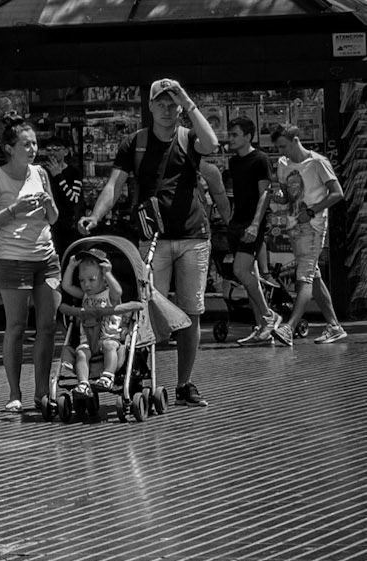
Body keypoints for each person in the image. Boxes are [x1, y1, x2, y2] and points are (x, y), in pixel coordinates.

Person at [80, 77, 221, 408]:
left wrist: (188, 100)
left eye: (172, 103)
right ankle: (139, 374)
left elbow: (211, 144)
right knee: (145, 311)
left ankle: (185, 383)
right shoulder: (136, 143)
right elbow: (115, 185)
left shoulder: (188, 137)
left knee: (190, 313)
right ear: (151, 106)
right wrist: (96, 216)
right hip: (152, 239)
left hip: (192, 237)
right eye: (161, 103)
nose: (167, 109)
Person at [0, 119, 60, 414]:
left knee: (48, 327)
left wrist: (49, 205)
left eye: (35, 143)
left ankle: (41, 392)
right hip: (13, 261)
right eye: (26, 144)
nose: (33, 149)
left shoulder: (41, 173)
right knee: (16, 326)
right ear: (9, 149)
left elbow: (53, 218)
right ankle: (14, 392)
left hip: (46, 260)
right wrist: (14, 210)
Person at [272, 125, 348, 345]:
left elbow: (337, 193)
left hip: (313, 226)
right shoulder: (283, 164)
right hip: (294, 226)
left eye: (284, 146)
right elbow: (286, 195)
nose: (281, 151)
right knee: (312, 275)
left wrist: (313, 211)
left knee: (303, 276)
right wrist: (278, 195)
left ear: (296, 140)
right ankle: (334, 325)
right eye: (278, 147)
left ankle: (290, 327)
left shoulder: (317, 162)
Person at [223, 117, 279, 345]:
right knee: (251, 277)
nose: (230, 138)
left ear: (248, 136)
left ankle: (269, 316)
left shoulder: (261, 159)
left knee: (240, 271)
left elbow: (265, 194)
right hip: (237, 223)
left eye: (235, 134)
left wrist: (256, 224)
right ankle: (262, 331)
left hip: (253, 224)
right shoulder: (234, 162)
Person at [60, 247, 124, 389]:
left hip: (108, 337)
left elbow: (118, 291)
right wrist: (71, 267)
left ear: (104, 280)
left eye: (91, 280)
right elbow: (66, 286)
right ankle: (83, 383)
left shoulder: (109, 295)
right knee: (81, 353)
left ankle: (107, 376)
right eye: (82, 281)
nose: (86, 284)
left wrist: (107, 273)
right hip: (87, 340)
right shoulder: (85, 295)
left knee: (109, 346)